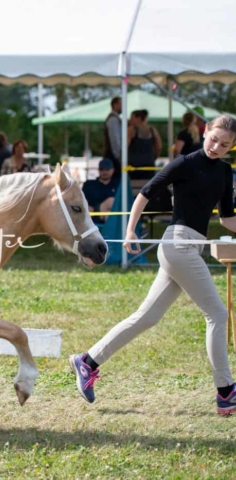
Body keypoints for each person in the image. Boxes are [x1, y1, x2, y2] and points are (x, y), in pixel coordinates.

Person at [69, 115, 236, 415]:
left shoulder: (225, 172)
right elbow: (145, 193)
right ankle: (226, 392)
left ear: (231, 146)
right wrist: (131, 230)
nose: (216, 147)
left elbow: (226, 218)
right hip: (177, 245)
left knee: (146, 318)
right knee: (218, 314)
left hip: (190, 248)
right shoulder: (184, 162)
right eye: (213, 139)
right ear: (205, 133)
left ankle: (88, 361)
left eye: (224, 144)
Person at [82, 159, 119, 224]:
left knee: (109, 211)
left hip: (111, 215)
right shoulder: (89, 184)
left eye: (107, 169)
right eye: (102, 169)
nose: (104, 172)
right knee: (111, 201)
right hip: (93, 213)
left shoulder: (118, 184)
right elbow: (82, 200)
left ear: (112, 170)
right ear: (98, 170)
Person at [128, 109, 162, 180]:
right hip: (149, 165)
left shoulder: (131, 129)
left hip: (134, 166)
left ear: (139, 118)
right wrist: (153, 157)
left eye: (132, 118)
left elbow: (124, 147)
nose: (130, 120)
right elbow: (159, 147)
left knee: (134, 188)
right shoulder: (153, 130)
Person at [103, 96, 123, 179]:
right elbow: (115, 140)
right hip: (113, 157)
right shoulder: (113, 120)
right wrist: (119, 157)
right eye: (121, 104)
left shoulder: (115, 119)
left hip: (113, 156)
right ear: (115, 105)